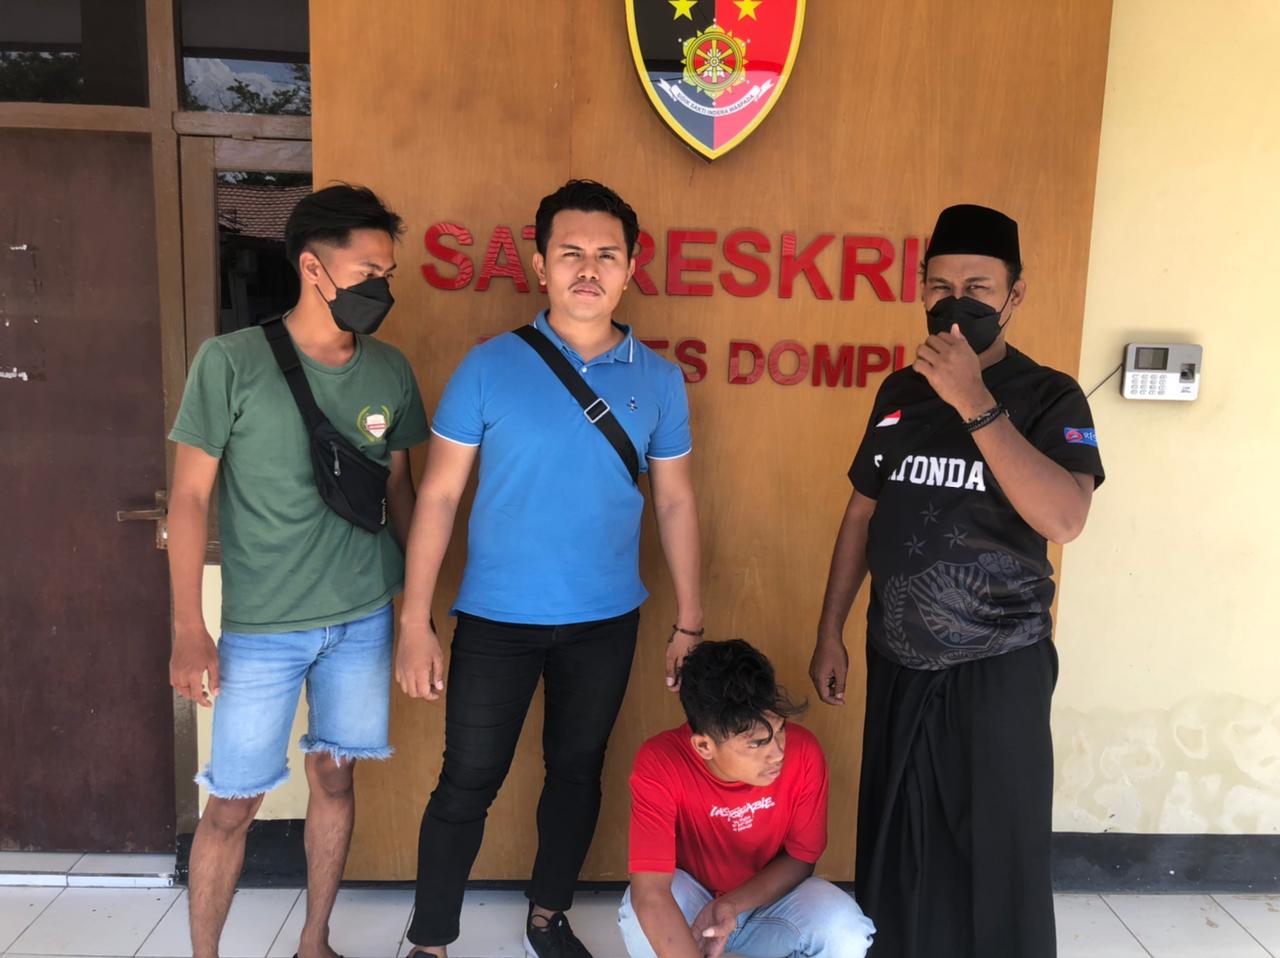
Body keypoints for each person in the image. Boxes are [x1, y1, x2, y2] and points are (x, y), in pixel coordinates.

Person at [397, 179, 703, 958]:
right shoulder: (488, 367)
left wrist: (690, 621)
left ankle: (548, 916)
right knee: (467, 779)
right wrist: (414, 621)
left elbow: (674, 503)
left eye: (606, 254)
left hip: (605, 620)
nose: (588, 269)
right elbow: (438, 496)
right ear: (540, 265)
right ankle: (430, 940)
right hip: (495, 619)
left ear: (630, 268)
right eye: (570, 253)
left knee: (576, 772)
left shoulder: (658, 379)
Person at [808, 204, 1105, 957]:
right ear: (921, 290)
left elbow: (1065, 518)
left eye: (978, 286)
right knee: (898, 842)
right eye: (941, 286)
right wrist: (829, 631)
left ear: (1015, 294)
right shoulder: (898, 394)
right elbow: (860, 515)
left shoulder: (1050, 396)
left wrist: (974, 400)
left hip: (999, 663)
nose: (956, 301)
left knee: (999, 853)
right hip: (898, 657)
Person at [166, 184, 429, 958]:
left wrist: (415, 608)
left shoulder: (390, 370)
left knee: (336, 779)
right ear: (313, 267)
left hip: (362, 621)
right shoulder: (230, 362)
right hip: (262, 632)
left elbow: (401, 491)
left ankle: (315, 941)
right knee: (232, 805)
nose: (382, 287)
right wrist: (189, 629)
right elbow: (189, 498)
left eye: (387, 273)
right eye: (368, 271)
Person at [619, 639, 874, 958]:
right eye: (756, 744)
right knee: (638, 918)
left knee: (846, 932)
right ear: (704, 746)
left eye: (780, 730)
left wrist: (732, 904)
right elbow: (651, 894)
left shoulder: (804, 752)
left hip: (768, 901)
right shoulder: (660, 762)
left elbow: (801, 858)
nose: (777, 753)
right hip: (693, 903)